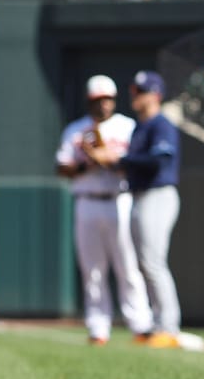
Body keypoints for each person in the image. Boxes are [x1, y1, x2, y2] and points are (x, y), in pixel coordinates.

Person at [55, 75, 154, 346]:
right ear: (90, 101)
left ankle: (141, 325)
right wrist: (88, 163)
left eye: (108, 99)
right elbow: (61, 167)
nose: (104, 105)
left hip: (119, 199)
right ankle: (98, 328)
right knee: (92, 270)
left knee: (128, 266)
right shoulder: (77, 130)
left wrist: (108, 159)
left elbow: (136, 165)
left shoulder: (127, 127)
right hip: (87, 201)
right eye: (98, 100)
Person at [119, 71, 184, 346]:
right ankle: (157, 324)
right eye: (134, 90)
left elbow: (158, 159)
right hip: (139, 195)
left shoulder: (161, 124)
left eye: (141, 91)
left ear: (155, 95)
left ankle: (168, 326)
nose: (135, 95)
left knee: (154, 262)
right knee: (145, 263)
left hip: (158, 194)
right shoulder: (139, 126)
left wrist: (122, 159)